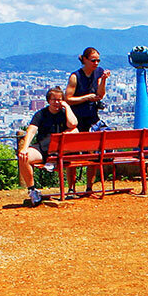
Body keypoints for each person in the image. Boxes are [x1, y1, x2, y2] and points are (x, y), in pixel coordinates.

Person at [17, 86, 79, 206]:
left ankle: (70, 187)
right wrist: (25, 148)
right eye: (54, 99)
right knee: (24, 157)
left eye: (59, 99)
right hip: (44, 149)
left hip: (62, 150)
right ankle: (32, 190)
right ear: (48, 100)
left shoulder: (64, 113)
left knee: (74, 131)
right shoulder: (41, 114)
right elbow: (32, 130)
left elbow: (73, 124)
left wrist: (67, 107)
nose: (56, 102)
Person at [65, 47, 109, 194]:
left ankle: (89, 187)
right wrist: (86, 97)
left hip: (92, 117)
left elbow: (100, 94)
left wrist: (103, 81)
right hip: (76, 119)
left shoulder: (98, 72)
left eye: (98, 60)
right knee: (73, 154)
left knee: (92, 153)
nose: (96, 63)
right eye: (93, 60)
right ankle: (71, 187)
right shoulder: (75, 76)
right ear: (84, 60)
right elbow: (68, 99)